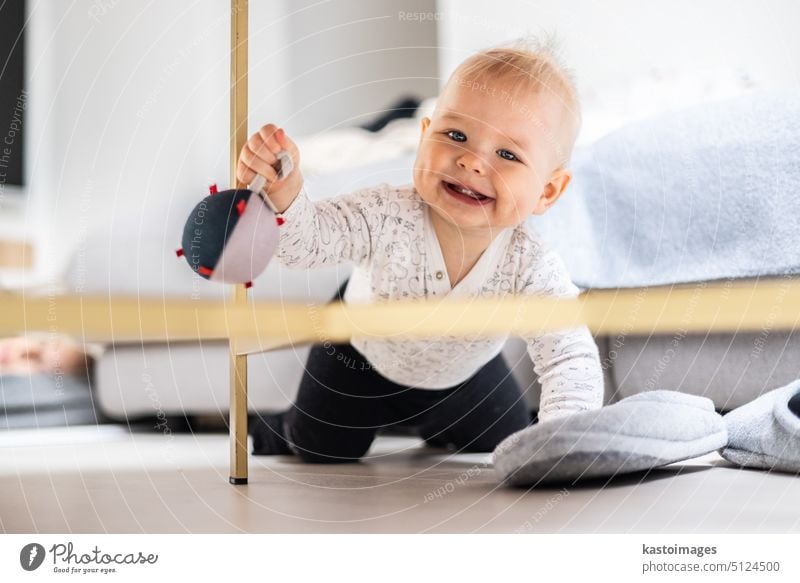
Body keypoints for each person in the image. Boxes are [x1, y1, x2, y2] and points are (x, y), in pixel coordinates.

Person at [238, 40, 604, 463]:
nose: (471, 161)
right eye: (455, 135)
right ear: (424, 134)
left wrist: (559, 447)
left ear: (548, 190)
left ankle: (433, 426)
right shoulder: (384, 213)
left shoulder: (531, 265)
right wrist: (286, 192)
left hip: (464, 375)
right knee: (319, 447)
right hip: (358, 358)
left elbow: (569, 357)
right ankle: (278, 426)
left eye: (507, 154)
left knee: (507, 436)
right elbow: (306, 243)